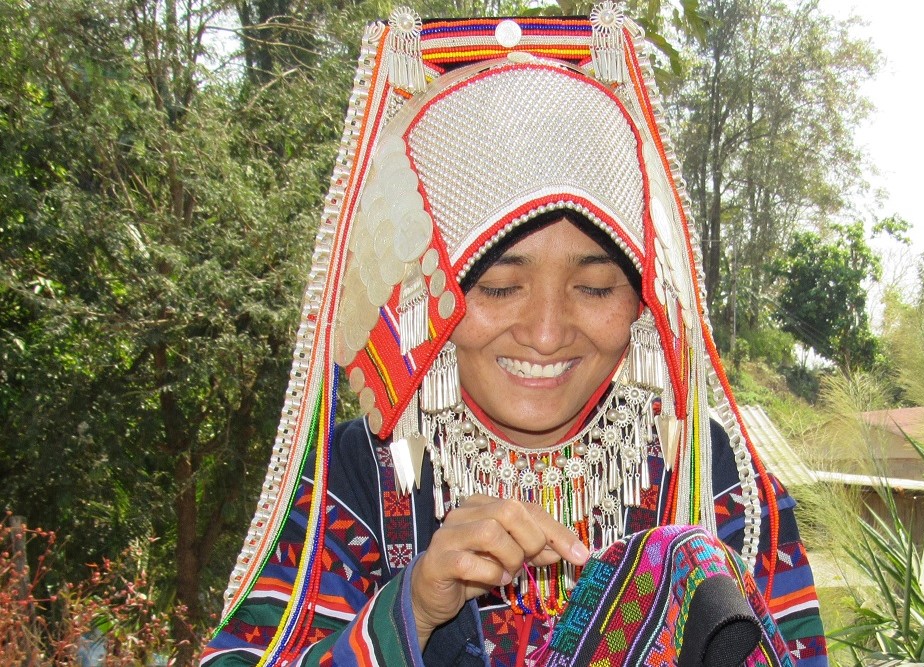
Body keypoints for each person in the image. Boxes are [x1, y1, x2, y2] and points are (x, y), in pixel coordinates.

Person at [200, 6, 828, 666]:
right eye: (500, 286)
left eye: (595, 287)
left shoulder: (714, 482)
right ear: (431, 293)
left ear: (643, 300)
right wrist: (412, 608)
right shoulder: (356, 479)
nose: (547, 332)